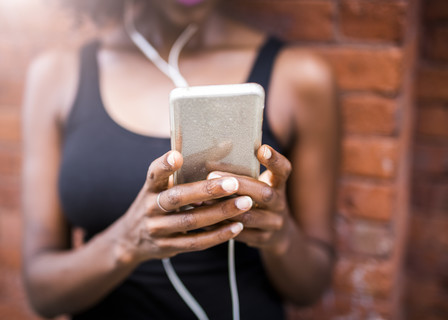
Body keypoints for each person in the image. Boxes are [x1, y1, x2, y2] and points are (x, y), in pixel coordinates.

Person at [21, 0, 339, 319]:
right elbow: (43, 295)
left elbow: (308, 288)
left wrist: (279, 237)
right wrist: (127, 243)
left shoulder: (301, 78)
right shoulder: (57, 76)